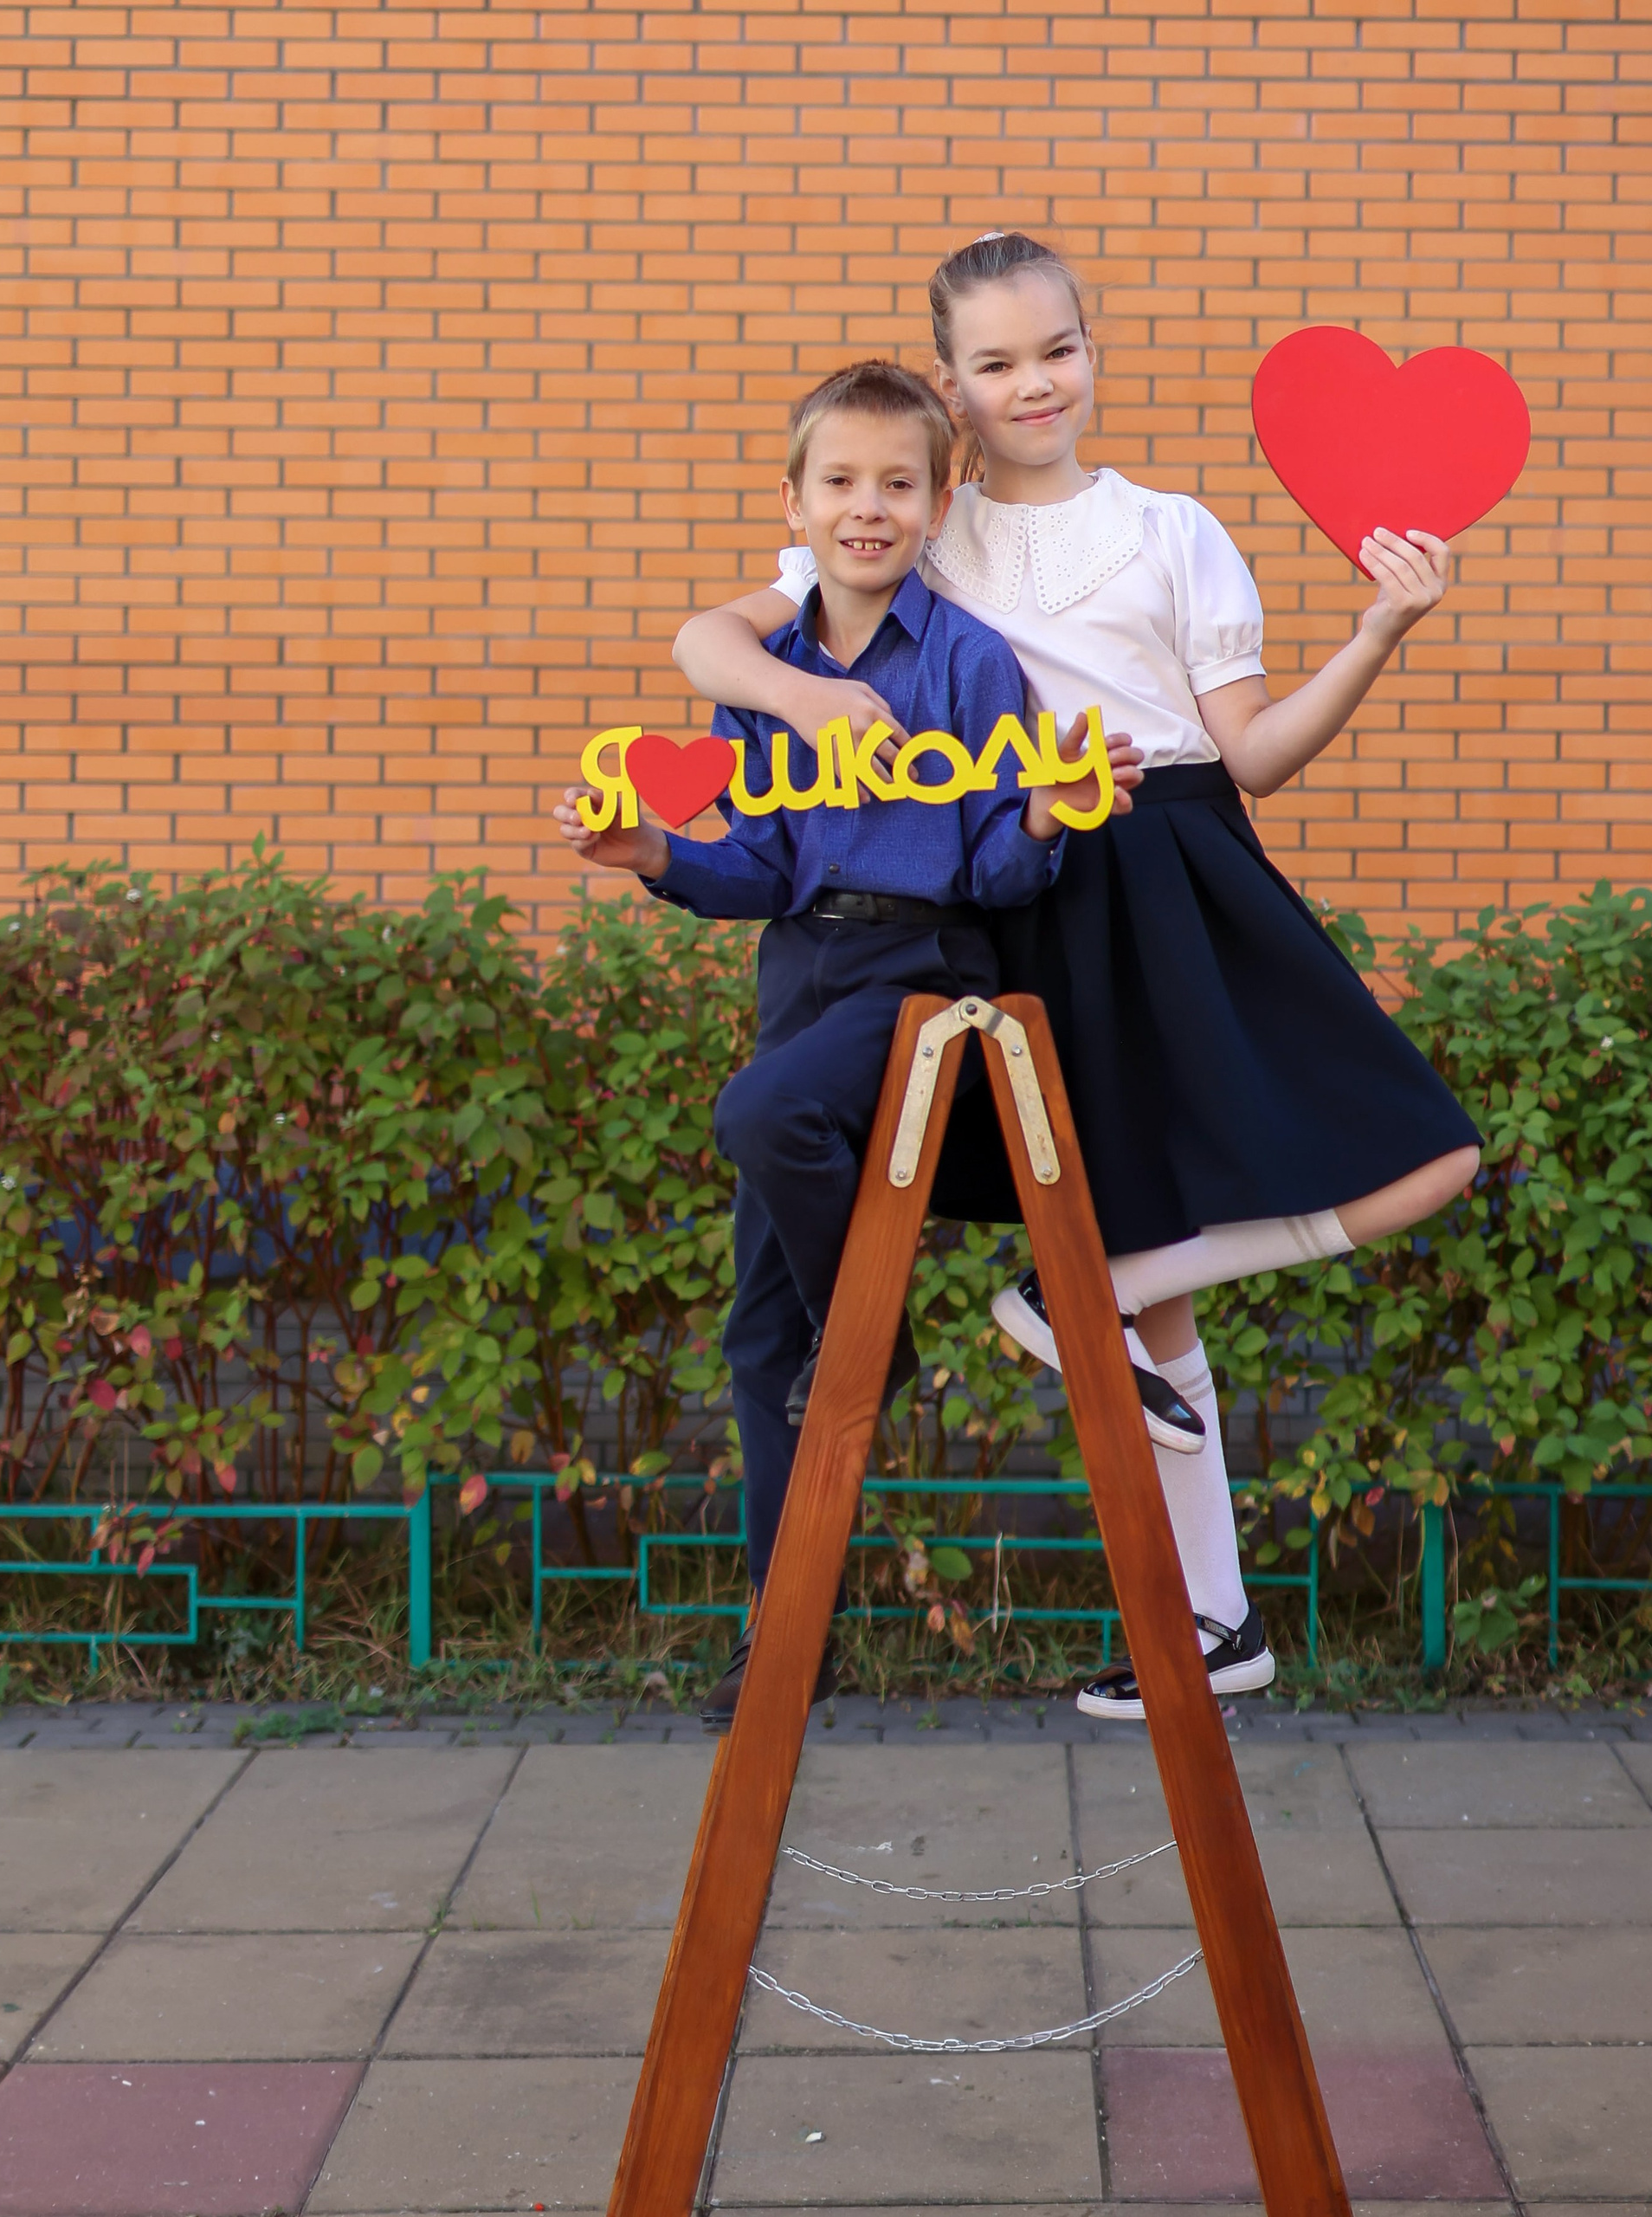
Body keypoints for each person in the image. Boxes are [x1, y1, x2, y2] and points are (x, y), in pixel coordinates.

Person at [673, 236, 1483, 1722]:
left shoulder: (1173, 531)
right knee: (1157, 1334)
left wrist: (1378, 630)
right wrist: (807, 692)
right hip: (1017, 895)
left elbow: (1252, 757)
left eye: (1056, 349)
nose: (1032, 382)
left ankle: (1076, 1299)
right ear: (952, 390)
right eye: (993, 364)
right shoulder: (923, 525)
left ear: (1092, 349)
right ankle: (1216, 1622)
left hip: (1173, 880)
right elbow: (710, 639)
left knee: (1429, 1157)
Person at [554, 357, 1140, 1731]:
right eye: (840, 484)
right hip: (802, 971)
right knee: (763, 1344)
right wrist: (651, 853)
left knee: (762, 1120)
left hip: (923, 977)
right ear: (795, 505)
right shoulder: (765, 680)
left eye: (895, 484)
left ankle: (871, 1341)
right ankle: (786, 1645)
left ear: (940, 502)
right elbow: (756, 863)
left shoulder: (966, 660)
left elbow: (999, 866)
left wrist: (1051, 816)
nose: (867, 508)